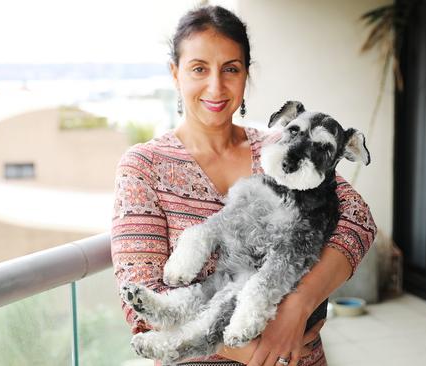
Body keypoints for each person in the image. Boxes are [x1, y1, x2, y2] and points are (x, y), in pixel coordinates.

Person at [111, 5, 377, 366]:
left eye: (231, 69)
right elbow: (139, 299)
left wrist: (297, 307)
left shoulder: (277, 150)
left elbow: (359, 220)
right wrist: (267, 350)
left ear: (246, 75)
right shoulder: (143, 166)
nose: (216, 87)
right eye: (199, 68)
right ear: (176, 74)